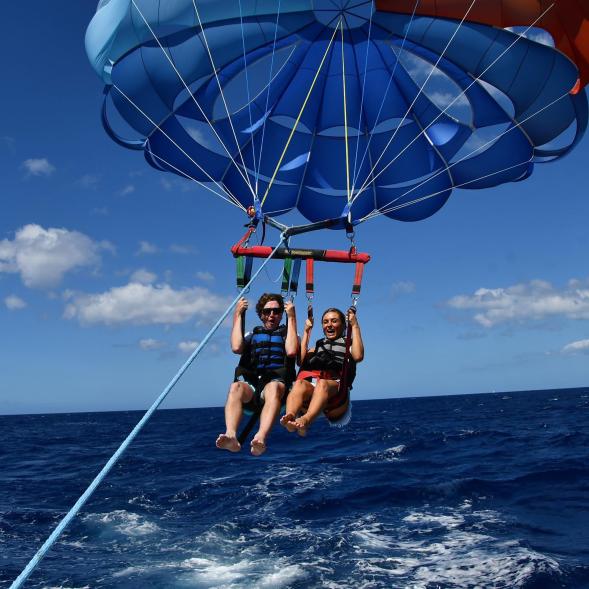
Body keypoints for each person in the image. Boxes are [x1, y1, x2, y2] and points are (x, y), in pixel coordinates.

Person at [216, 293, 298, 456]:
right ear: (261, 314)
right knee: (236, 387)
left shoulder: (289, 335)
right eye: (267, 311)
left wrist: (292, 318)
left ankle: (260, 437)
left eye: (276, 311)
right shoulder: (251, 336)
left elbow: (291, 351)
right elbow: (236, 348)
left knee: (272, 388)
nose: (272, 315)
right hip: (253, 388)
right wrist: (237, 314)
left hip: (277, 387)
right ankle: (231, 435)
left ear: (282, 314)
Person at [280, 307, 364, 435]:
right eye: (325, 322)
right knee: (299, 384)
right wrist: (307, 331)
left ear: (343, 324)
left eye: (334, 321)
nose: (329, 325)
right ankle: (290, 416)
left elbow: (358, 356)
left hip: (336, 387)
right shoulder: (318, 345)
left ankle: (306, 420)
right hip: (316, 385)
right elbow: (301, 362)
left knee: (323, 383)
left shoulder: (349, 344)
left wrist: (355, 325)